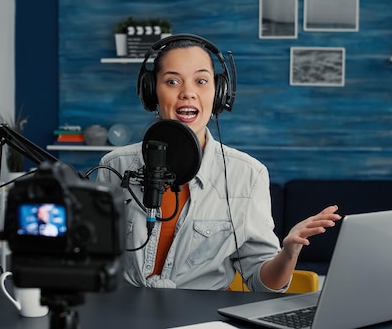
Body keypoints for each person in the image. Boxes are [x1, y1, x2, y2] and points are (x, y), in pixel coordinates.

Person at [96, 34, 341, 291]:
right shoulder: (115, 166)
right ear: (151, 92)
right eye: (172, 81)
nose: (188, 92)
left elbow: (262, 283)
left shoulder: (248, 174)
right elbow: (93, 262)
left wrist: (289, 252)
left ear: (219, 92)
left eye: (201, 81)